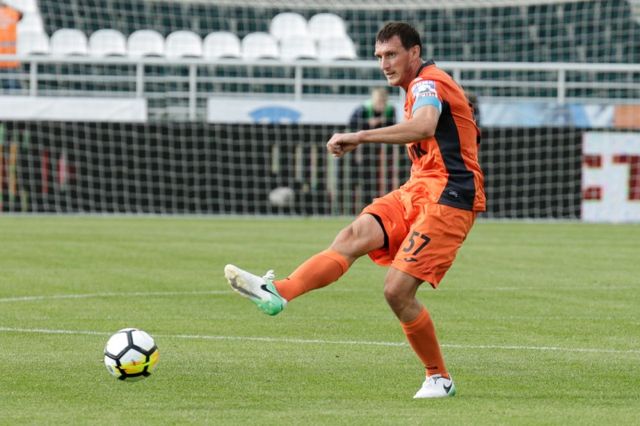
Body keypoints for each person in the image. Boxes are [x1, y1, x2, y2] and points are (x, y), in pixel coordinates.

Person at [224, 22, 485, 399]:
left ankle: (438, 378)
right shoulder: (415, 87)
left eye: (392, 54)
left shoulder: (428, 82)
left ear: (414, 52)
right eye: (379, 56)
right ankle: (278, 291)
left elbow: (425, 125)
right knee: (353, 235)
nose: (384, 64)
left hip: (449, 196)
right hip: (419, 188)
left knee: (396, 291)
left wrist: (360, 136)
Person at [0, 0, 22, 91]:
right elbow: (21, 15)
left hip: (9, 59)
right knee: (12, 90)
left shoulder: (13, 12)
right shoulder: (13, 12)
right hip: (10, 59)